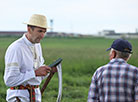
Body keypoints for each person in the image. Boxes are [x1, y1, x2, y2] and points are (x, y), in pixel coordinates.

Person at [4, 14, 57, 102]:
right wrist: (35, 73)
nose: (42, 35)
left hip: (35, 97)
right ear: (29, 29)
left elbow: (36, 77)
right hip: (19, 98)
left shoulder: (37, 45)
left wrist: (48, 71)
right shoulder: (16, 48)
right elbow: (10, 80)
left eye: (44, 32)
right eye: (39, 31)